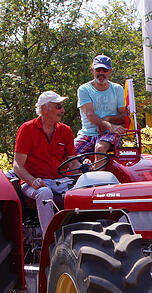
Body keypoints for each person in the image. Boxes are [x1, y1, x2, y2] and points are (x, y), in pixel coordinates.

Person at [13, 91, 82, 235]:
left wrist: (85, 176)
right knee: (44, 193)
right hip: (34, 183)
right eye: (58, 106)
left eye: (62, 106)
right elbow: (17, 165)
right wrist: (33, 181)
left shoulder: (65, 130)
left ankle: (81, 237)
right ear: (44, 109)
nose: (62, 110)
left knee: (83, 192)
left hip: (60, 181)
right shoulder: (27, 129)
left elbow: (73, 164)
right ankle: (50, 242)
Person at [74, 54, 127, 155]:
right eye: (98, 70)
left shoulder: (117, 89)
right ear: (92, 69)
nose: (101, 73)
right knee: (69, 153)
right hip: (87, 133)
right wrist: (108, 125)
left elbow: (123, 116)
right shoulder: (84, 89)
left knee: (100, 148)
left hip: (110, 134)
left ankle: (98, 170)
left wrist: (108, 120)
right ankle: (85, 167)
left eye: (105, 70)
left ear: (110, 71)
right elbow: (90, 115)